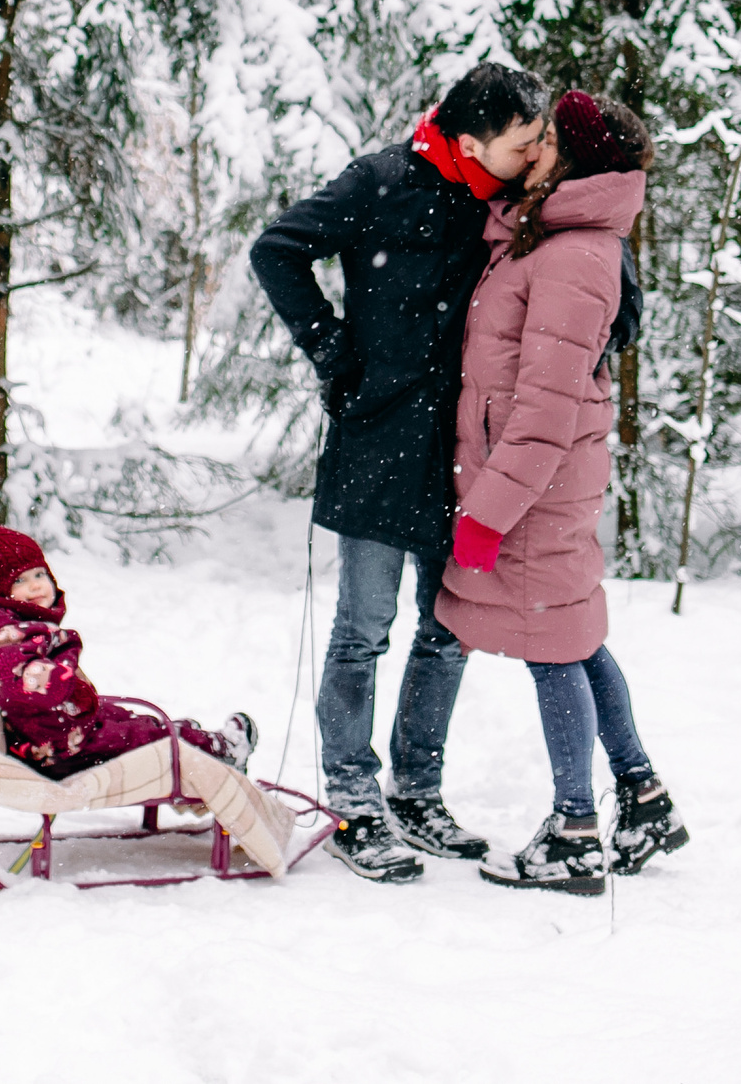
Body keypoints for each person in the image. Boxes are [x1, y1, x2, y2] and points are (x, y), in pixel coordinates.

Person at [253, 64, 642, 882]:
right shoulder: (382, 181)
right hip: (378, 440)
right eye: (524, 140)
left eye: (543, 135)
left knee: (448, 629)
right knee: (362, 629)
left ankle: (417, 788)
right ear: (470, 143)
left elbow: (602, 270)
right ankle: (353, 797)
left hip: (462, 451)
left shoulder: (507, 202)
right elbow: (278, 247)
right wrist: (332, 348)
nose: (538, 151)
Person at [438, 92, 688, 897]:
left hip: (533, 485)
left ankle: (575, 831)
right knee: (576, 637)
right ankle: (643, 798)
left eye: (547, 138)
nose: (535, 146)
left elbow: (544, 408)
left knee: (552, 644)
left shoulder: (574, 252)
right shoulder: (554, 236)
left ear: (575, 158)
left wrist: (488, 512)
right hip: (542, 477)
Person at [0, 516, 256, 776]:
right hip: (62, 747)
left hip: (61, 729)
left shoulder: (4, 628)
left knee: (131, 719)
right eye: (19, 581)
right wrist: (65, 652)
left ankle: (192, 738)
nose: (36, 585)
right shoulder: (4, 640)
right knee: (151, 737)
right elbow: (33, 684)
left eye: (39, 574)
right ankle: (221, 750)